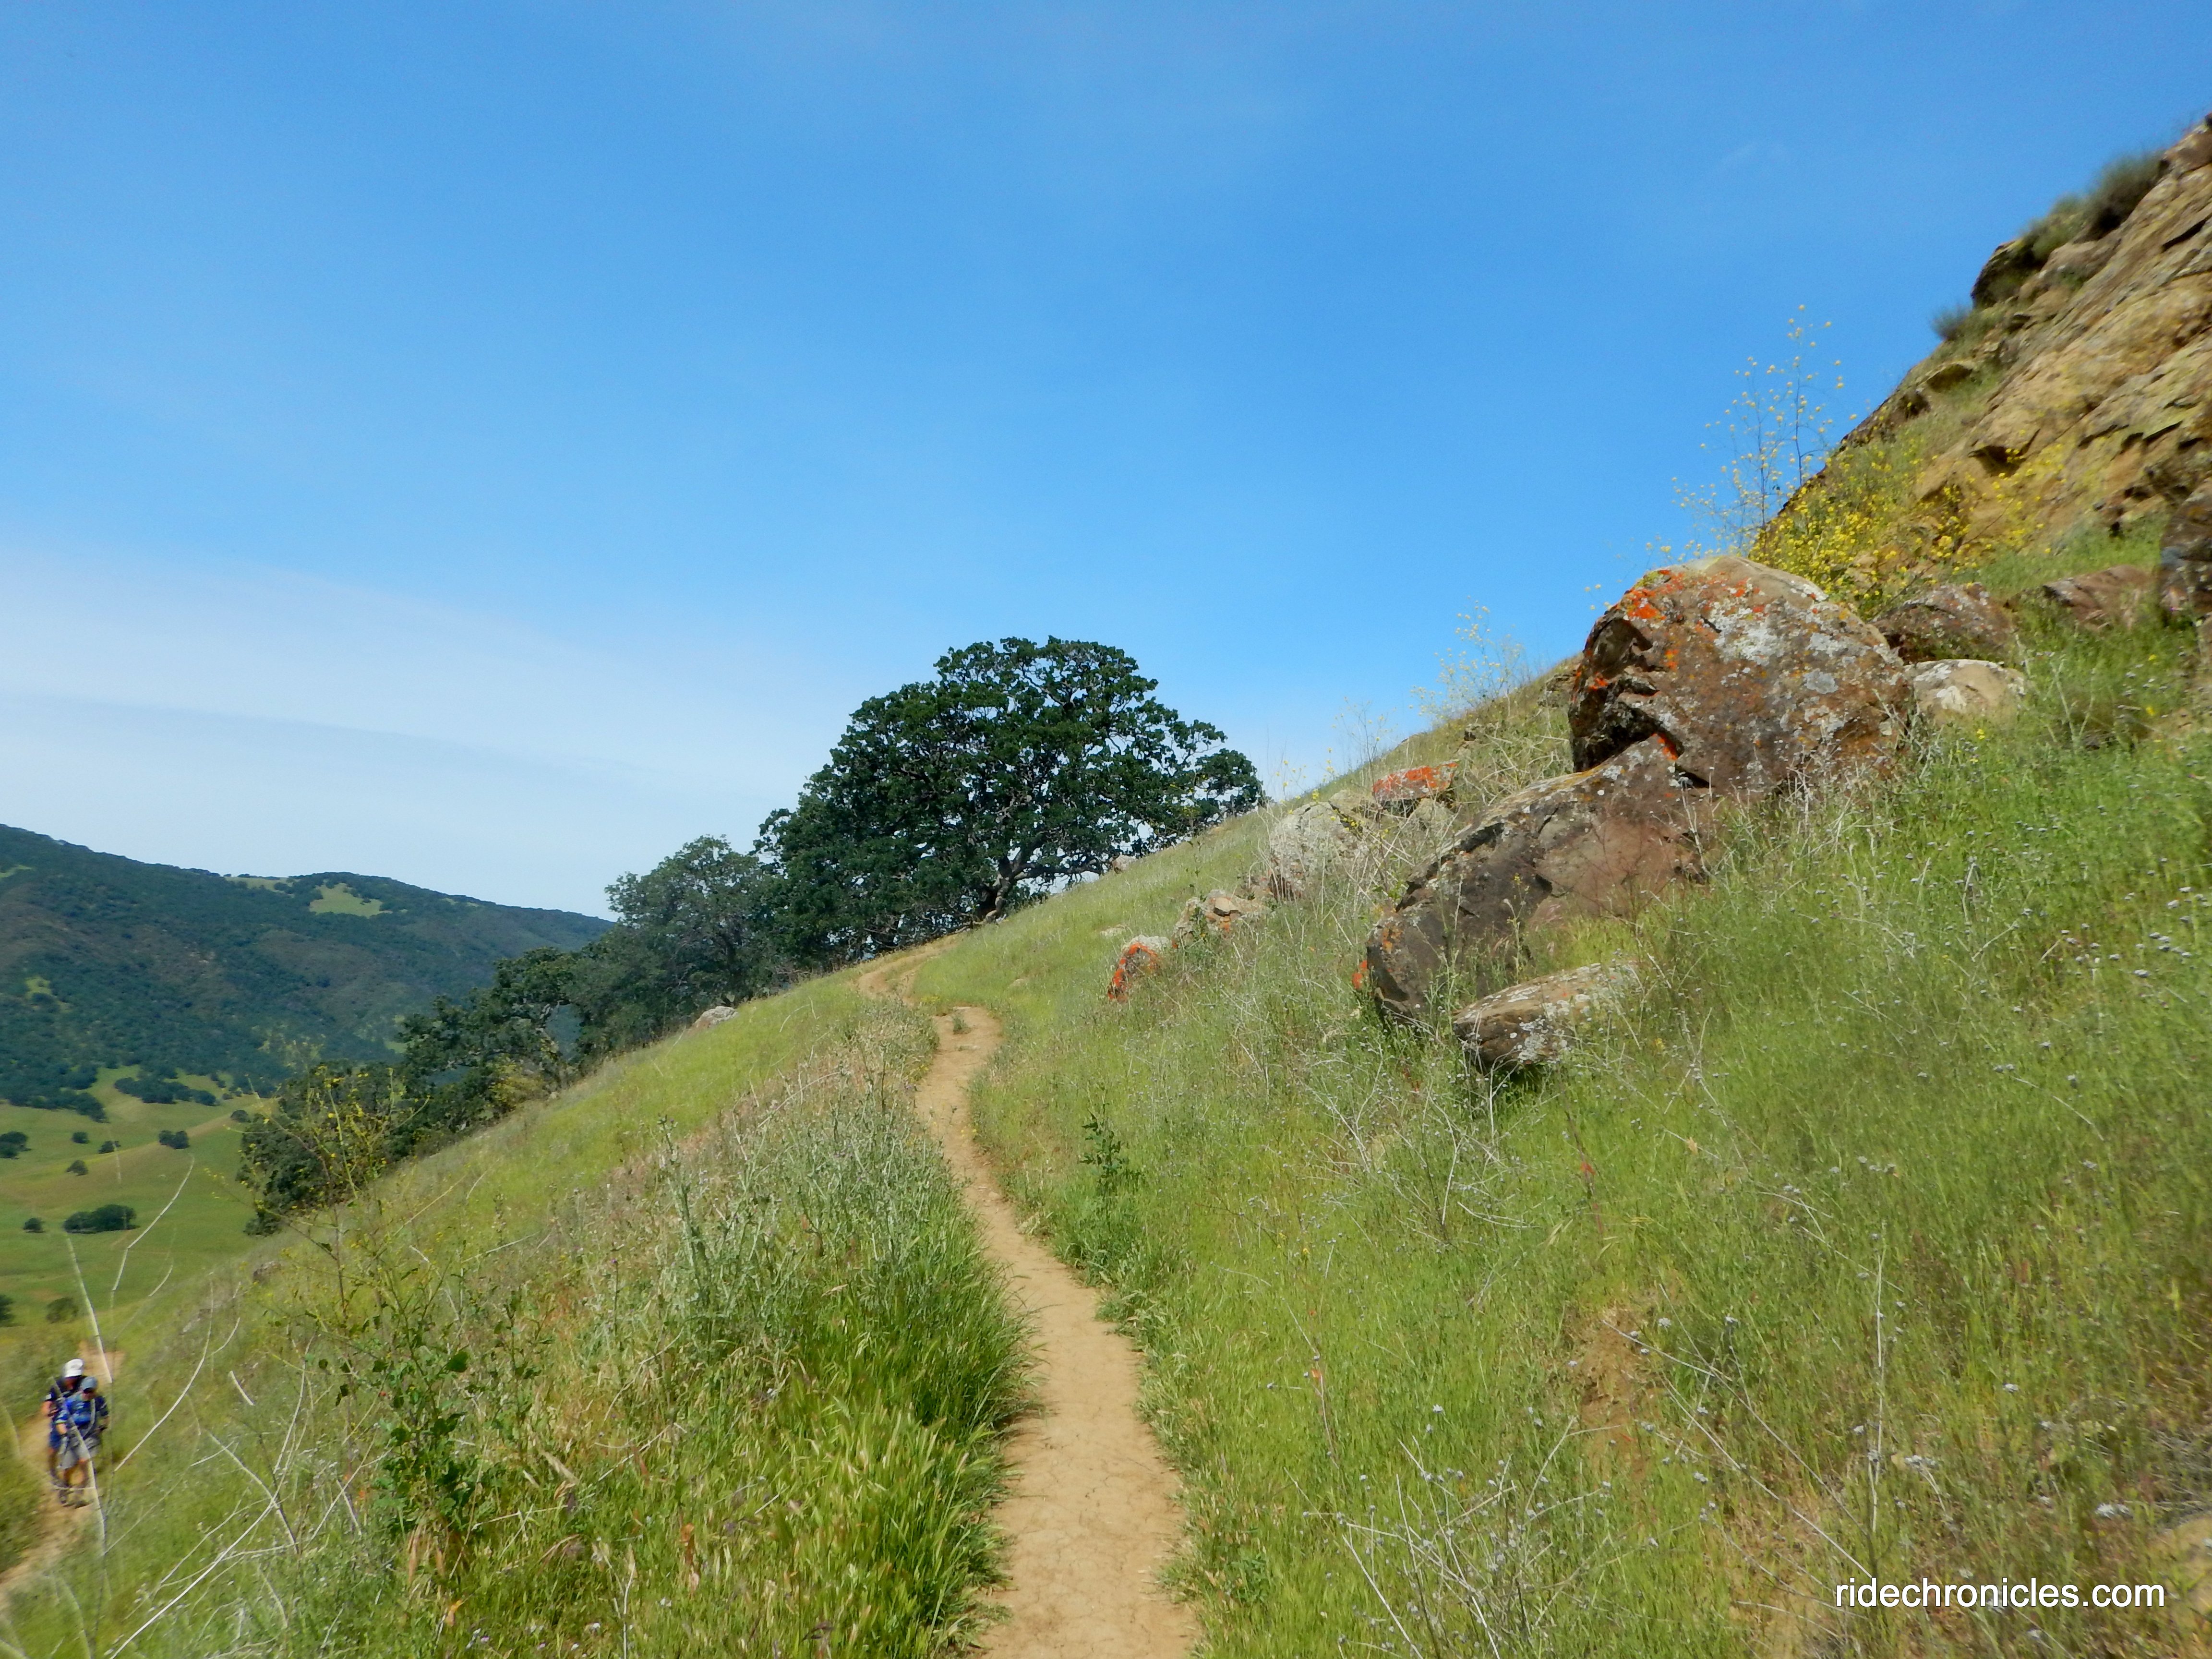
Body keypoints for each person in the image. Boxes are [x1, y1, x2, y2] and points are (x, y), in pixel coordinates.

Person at [54, 1374, 108, 1507]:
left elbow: (106, 1417)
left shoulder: (99, 1401)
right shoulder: (71, 1402)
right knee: (68, 1468)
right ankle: (65, 1486)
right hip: (73, 1437)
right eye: (86, 1391)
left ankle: (80, 1494)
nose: (88, 1394)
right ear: (81, 1390)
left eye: (91, 1391)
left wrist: (102, 1427)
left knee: (85, 1462)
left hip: (90, 1436)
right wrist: (65, 1434)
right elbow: (60, 1421)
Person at [43, 1358, 84, 1495]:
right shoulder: (57, 1386)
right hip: (59, 1422)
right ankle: (53, 1474)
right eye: (70, 1377)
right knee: (52, 1451)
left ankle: (68, 1480)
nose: (72, 1380)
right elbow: (47, 1405)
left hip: (78, 1423)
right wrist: (48, 1412)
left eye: (75, 1377)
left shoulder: (85, 1383)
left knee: (76, 1454)